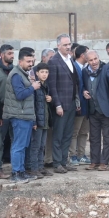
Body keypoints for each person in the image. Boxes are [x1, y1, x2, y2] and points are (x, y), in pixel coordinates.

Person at [2, 47, 40, 183]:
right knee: (18, 146)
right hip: (19, 116)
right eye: (28, 61)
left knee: (23, 145)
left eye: (32, 61)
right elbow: (20, 95)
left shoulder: (24, 74)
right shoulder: (16, 75)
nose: (31, 64)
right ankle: (16, 173)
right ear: (20, 61)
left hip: (26, 116)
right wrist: (33, 87)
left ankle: (22, 171)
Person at [48, 33, 81, 174]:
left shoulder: (70, 60)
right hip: (61, 105)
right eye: (65, 45)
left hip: (72, 103)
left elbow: (74, 82)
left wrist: (77, 100)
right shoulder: (54, 61)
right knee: (58, 135)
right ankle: (57, 163)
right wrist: (57, 105)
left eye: (69, 44)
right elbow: (52, 86)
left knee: (68, 134)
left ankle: (63, 161)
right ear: (58, 46)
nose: (68, 47)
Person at [84, 50, 109, 170]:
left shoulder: (106, 68)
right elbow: (82, 85)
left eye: (95, 59)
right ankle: (94, 161)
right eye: (91, 60)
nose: (94, 62)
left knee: (107, 137)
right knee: (94, 138)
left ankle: (104, 162)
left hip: (105, 109)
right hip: (92, 110)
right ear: (87, 61)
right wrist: (83, 91)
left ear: (99, 58)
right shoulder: (85, 71)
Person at [28, 62, 52, 178]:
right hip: (38, 121)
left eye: (46, 72)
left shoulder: (46, 86)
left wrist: (50, 99)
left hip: (45, 121)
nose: (44, 74)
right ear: (37, 73)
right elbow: (33, 105)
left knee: (42, 146)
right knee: (35, 146)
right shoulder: (36, 87)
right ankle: (34, 169)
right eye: (42, 72)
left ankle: (40, 167)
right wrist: (34, 121)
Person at [70, 44, 91, 166]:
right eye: (88, 53)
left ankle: (81, 154)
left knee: (84, 132)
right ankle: (72, 155)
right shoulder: (74, 68)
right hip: (78, 105)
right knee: (75, 132)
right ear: (83, 55)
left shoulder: (85, 68)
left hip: (86, 106)